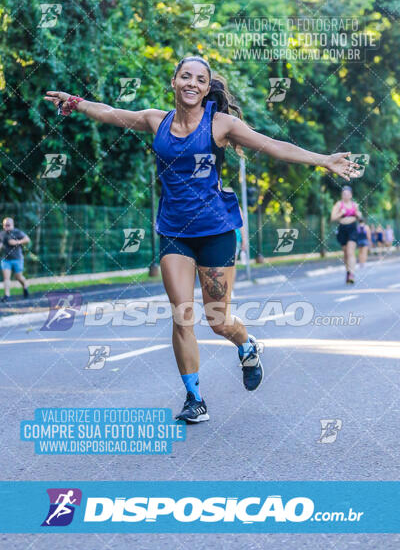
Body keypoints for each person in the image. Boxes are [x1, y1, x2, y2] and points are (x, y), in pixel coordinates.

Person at [45, 55, 360, 423]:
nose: (192, 83)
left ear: (208, 87)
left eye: (200, 79)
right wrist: (77, 103)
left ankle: (246, 344)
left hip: (216, 231)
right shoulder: (155, 120)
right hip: (174, 231)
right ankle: (194, 398)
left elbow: (272, 145)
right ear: (175, 82)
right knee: (182, 315)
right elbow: (111, 113)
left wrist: (323, 160)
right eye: (185, 76)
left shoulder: (221, 124)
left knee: (218, 319)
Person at [331, 186, 362, 284]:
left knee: (350, 252)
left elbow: (360, 218)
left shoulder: (354, 205)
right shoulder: (338, 204)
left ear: (351, 195)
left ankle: (352, 273)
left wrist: (358, 214)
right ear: (342, 195)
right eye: (344, 194)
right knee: (345, 253)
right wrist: (341, 213)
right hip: (342, 229)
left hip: (352, 228)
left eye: (348, 194)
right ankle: (348, 272)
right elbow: (332, 218)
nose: (346, 196)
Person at [0, 217, 30, 302]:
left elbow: (27, 239)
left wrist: (17, 242)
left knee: (18, 277)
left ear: (12, 225)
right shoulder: (2, 234)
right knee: (6, 278)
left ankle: (25, 286)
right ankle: (7, 295)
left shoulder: (17, 232)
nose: (6, 227)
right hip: (5, 259)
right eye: (4, 225)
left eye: (8, 225)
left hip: (17, 259)